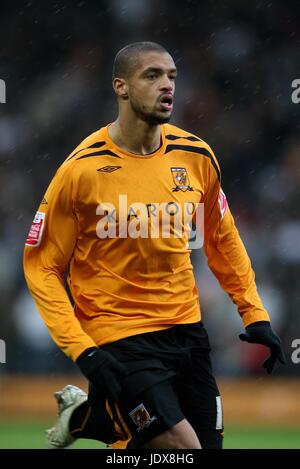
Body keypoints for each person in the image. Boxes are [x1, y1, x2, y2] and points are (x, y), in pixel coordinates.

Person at [23, 41, 285, 450]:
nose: (167, 86)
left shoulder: (196, 155)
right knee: (181, 447)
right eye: (152, 75)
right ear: (121, 87)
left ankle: (93, 419)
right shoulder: (81, 170)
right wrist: (82, 349)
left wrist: (254, 313)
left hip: (186, 331)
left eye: (172, 77)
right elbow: (41, 265)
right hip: (118, 334)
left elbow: (221, 237)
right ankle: (104, 416)